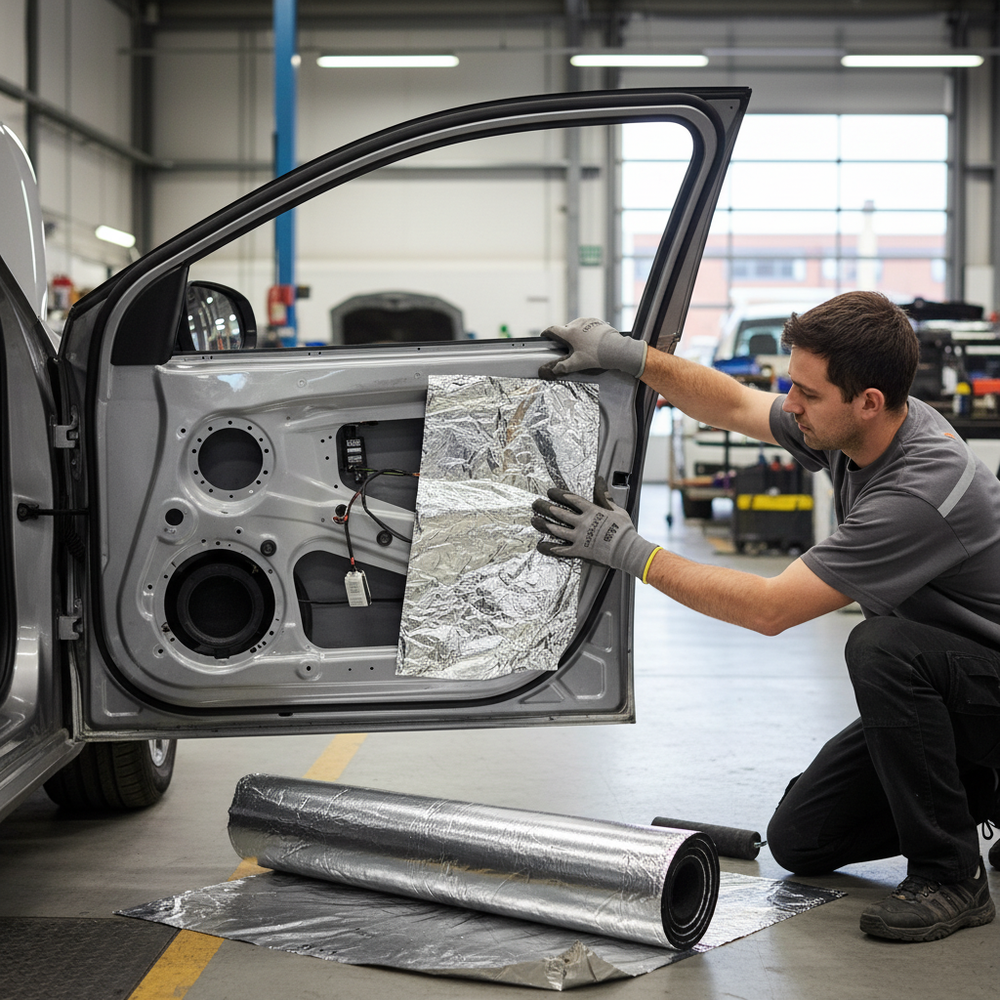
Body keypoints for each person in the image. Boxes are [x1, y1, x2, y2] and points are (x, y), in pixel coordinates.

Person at [531, 292, 1000, 943]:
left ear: (867, 400)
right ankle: (985, 792)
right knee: (801, 839)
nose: (791, 403)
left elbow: (769, 609)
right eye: (791, 385)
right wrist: (628, 356)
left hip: (981, 685)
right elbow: (731, 404)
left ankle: (952, 877)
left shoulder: (920, 490)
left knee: (882, 647)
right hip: (963, 685)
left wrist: (628, 550)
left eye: (806, 392)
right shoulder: (867, 427)